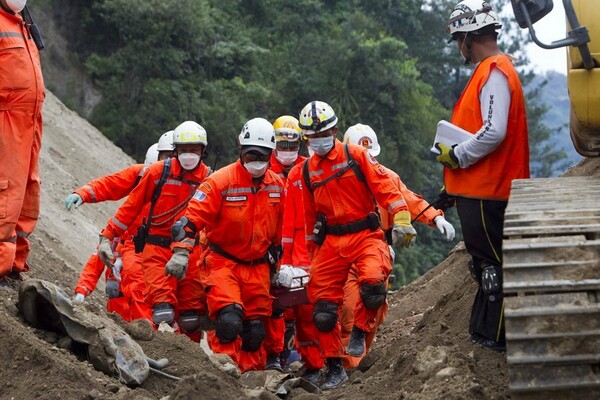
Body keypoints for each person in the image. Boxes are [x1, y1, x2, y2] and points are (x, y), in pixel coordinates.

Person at [299, 100, 417, 390]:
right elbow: (308, 217)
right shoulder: (307, 170)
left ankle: (360, 333)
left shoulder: (357, 156)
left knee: (374, 286)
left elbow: (386, 187)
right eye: (312, 137)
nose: (318, 140)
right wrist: (307, 258)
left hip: (366, 234)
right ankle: (334, 366)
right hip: (331, 241)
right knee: (324, 312)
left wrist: (401, 218)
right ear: (307, 138)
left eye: (322, 134)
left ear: (335, 130)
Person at [435, 0, 529, 352]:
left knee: (493, 270)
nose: (460, 48)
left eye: (459, 40)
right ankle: (484, 335)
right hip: (480, 189)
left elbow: (494, 131)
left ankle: (495, 342)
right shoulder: (491, 71)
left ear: (469, 37)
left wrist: (457, 155)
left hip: (490, 191)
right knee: (486, 266)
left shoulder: (494, 71)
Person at [167, 117, 285, 372]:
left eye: (263, 155)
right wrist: (181, 253)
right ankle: (224, 373)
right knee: (229, 321)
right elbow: (189, 222)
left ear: (271, 155)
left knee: (254, 333)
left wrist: (280, 264)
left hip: (259, 267)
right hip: (223, 263)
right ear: (240, 149)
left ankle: (250, 380)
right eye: (252, 153)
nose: (257, 160)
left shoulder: (276, 186)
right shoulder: (220, 182)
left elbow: (280, 230)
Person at [341, 123, 455, 367]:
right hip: (345, 249)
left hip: (377, 248)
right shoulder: (337, 178)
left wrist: (435, 217)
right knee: (348, 307)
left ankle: (355, 364)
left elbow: (409, 199)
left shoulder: (386, 176)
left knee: (375, 304)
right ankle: (343, 365)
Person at [98, 121, 210, 342]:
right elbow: (131, 206)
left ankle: (190, 360)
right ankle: (160, 349)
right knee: (162, 311)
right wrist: (107, 236)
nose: (189, 155)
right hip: (156, 249)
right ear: (175, 150)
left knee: (190, 318)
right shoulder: (158, 173)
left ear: (203, 150)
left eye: (194, 150)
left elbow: (217, 223)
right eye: (184, 150)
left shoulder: (210, 180)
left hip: (191, 253)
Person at [70, 138, 174, 321]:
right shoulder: (126, 228)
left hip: (165, 255)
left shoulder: (186, 187)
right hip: (123, 298)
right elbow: (111, 184)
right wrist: (82, 290)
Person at [0, 0, 45, 288]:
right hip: (7, 120)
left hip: (30, 120)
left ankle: (15, 262)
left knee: (28, 192)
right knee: (5, 190)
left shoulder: (21, 22)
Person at [263, 115, 307, 371]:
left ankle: (301, 357)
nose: (288, 151)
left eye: (293, 145)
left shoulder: (309, 167)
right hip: (273, 241)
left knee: (303, 302)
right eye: (283, 145)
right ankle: (274, 356)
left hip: (303, 242)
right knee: (274, 302)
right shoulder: (260, 167)